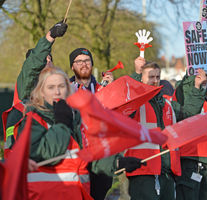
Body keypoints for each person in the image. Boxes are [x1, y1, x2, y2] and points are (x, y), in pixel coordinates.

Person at [15, 66, 142, 199]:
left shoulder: (77, 117)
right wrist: (62, 124)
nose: (57, 92)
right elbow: (45, 153)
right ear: (41, 92)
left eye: (61, 87)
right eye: (51, 87)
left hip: (78, 193)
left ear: (68, 89)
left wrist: (116, 163)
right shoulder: (32, 120)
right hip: (46, 194)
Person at [2, 21, 67, 157]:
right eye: (45, 59)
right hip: (23, 159)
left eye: (50, 59)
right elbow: (33, 64)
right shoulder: (27, 85)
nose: (48, 62)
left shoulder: (57, 90)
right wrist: (50, 36)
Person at [125, 62, 181, 200]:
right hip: (143, 167)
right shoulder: (136, 101)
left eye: (157, 76)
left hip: (165, 168)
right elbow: (128, 105)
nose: (155, 80)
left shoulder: (166, 104)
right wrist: (136, 75)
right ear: (142, 78)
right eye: (150, 76)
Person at [68, 47, 115, 200]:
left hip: (100, 157)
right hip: (76, 155)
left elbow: (118, 117)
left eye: (87, 60)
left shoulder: (103, 89)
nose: (84, 64)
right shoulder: (64, 89)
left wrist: (114, 90)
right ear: (72, 66)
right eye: (79, 61)